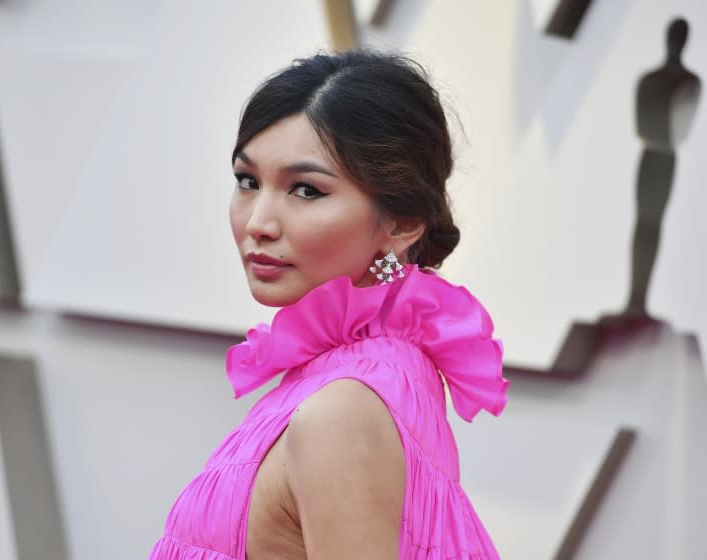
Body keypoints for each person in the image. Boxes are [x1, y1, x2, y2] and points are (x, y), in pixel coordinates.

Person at [149, 50, 510, 559]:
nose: (259, 223)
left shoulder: (343, 410)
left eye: (306, 190)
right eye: (247, 181)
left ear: (402, 224)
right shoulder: (365, 369)